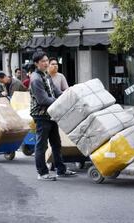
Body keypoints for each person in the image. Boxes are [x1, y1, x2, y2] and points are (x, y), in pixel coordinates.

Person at [29, 51, 76, 181]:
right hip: (41, 115)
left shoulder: (46, 75)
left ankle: (61, 170)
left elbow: (56, 91)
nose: (46, 63)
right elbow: (43, 100)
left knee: (56, 143)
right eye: (43, 61)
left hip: (51, 113)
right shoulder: (35, 79)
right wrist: (61, 102)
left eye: (46, 60)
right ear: (36, 63)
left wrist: (69, 96)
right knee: (41, 145)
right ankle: (42, 173)